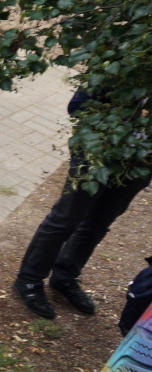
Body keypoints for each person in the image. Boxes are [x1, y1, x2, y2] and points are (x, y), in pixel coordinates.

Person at [12, 90, 151, 320]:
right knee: (65, 219)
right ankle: (29, 280)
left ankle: (64, 276)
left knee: (98, 223)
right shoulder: (130, 63)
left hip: (140, 163)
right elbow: (78, 105)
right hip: (99, 155)